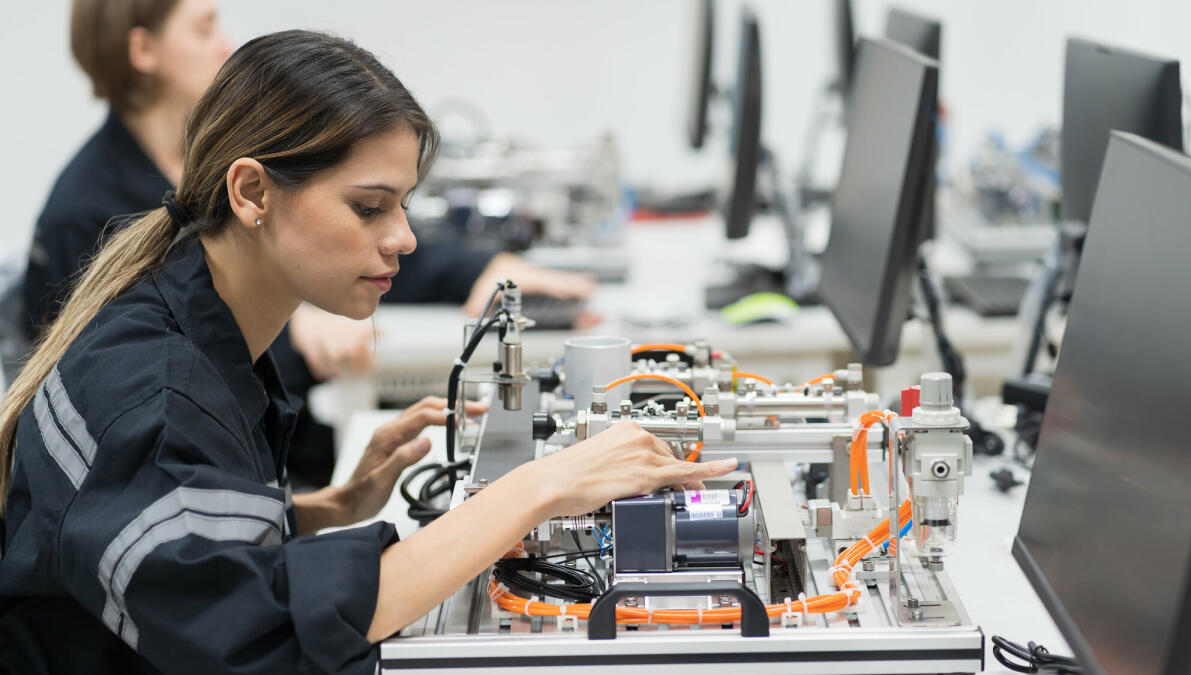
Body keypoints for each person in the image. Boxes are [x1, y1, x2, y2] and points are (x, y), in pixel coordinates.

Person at [0, 30, 733, 674]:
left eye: (404, 204)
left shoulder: (191, 320)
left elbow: (184, 554)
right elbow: (264, 632)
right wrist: (538, 488)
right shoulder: (156, 394)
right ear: (253, 192)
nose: (404, 237)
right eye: (369, 206)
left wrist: (324, 509)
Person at [22, 0, 596, 489]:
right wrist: (530, 494)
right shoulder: (98, 224)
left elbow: (340, 231)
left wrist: (478, 267)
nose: (222, 45)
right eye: (202, 28)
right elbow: (232, 595)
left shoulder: (193, 182)